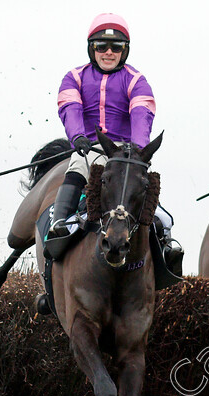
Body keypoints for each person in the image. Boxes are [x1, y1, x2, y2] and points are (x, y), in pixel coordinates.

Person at [48, 12, 182, 273]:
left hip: (126, 153)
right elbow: (70, 109)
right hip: (90, 148)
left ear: (125, 51)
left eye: (116, 47)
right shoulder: (73, 77)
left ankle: (164, 243)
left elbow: (143, 114)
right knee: (78, 166)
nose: (108, 52)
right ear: (92, 49)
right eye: (101, 46)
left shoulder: (136, 80)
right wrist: (77, 137)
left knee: (148, 196)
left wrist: (138, 148)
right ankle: (59, 222)